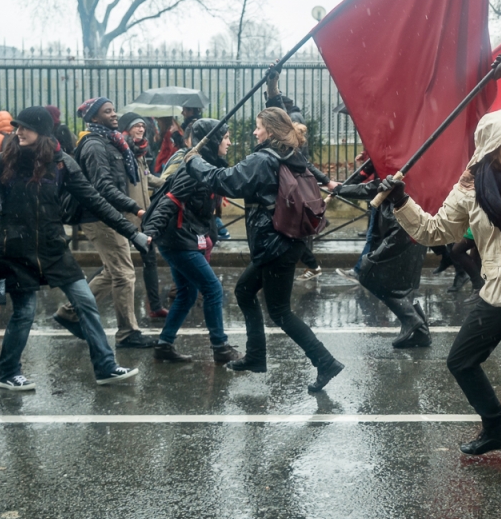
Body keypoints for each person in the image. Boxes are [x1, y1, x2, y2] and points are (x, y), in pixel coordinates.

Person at [384, 60, 501, 476]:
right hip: (499, 289)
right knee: (461, 361)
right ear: (491, 151)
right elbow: (435, 230)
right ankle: (496, 428)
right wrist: (401, 201)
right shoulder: (469, 187)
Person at [0, 107, 144, 391]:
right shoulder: (4, 162)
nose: (19, 132)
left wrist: (132, 233)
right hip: (15, 250)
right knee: (25, 312)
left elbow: (95, 201)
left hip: (53, 248)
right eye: (17, 127)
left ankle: (105, 367)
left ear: (43, 132)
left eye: (26, 127)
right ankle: (7, 372)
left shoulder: (62, 163)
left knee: (85, 302)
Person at [185, 100, 344, 391]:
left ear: (270, 131)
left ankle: (325, 362)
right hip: (285, 240)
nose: (255, 133)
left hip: (275, 244)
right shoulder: (291, 155)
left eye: (258, 128)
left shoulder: (264, 159)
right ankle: (256, 356)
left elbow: (226, 181)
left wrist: (192, 159)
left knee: (281, 311)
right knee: (244, 291)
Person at [54, 97, 154, 349]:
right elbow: (103, 187)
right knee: (124, 273)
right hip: (99, 216)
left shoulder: (111, 141)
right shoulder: (95, 145)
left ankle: (70, 312)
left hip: (106, 214)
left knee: (113, 271)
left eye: (113, 110)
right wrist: (135, 208)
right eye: (106, 111)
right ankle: (128, 333)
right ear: (94, 118)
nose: (114, 114)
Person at [144, 118, 239, 364]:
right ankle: (220, 347)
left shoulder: (207, 165)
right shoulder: (192, 168)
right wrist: (151, 231)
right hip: (176, 239)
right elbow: (170, 200)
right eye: (226, 137)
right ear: (214, 140)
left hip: (183, 236)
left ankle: (164, 346)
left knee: (187, 293)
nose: (229, 142)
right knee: (212, 289)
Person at [333, 175, 430, 349]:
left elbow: (372, 188)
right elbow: (372, 186)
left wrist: (338, 188)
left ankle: (410, 318)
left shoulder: (396, 162)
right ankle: (421, 333)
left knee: (367, 275)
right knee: (404, 283)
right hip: (416, 231)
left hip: (399, 233)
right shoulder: (417, 166)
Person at [118, 112, 167, 319]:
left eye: (142, 126)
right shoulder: (122, 153)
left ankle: (155, 306)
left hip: (143, 216)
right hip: (127, 216)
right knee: (114, 266)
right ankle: (79, 305)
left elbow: (148, 180)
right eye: (136, 126)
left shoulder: (139, 154)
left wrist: (171, 181)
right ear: (127, 129)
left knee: (149, 259)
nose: (141, 129)